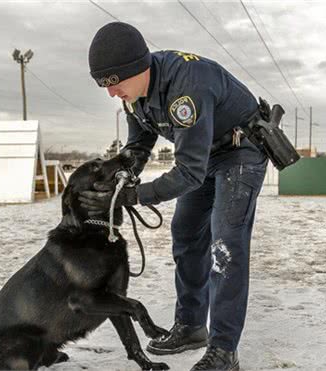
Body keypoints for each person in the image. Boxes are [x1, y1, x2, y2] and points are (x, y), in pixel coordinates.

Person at [82, 22, 270, 371]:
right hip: (205, 154)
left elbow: (188, 172)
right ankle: (191, 325)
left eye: (114, 84)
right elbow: (139, 144)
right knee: (186, 233)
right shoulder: (134, 95)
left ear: (137, 68)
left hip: (240, 152)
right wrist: (123, 176)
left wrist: (135, 197)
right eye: (104, 86)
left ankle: (224, 350)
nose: (111, 93)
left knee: (225, 245)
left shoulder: (187, 88)